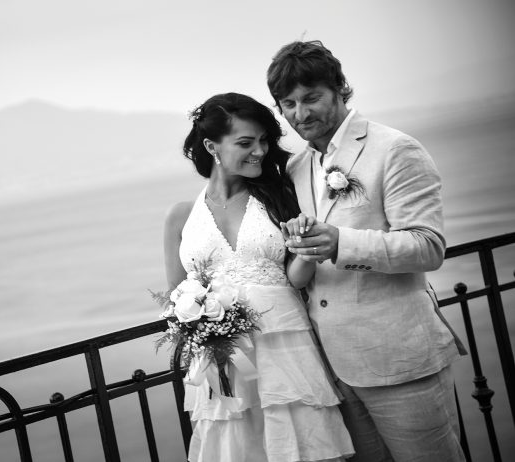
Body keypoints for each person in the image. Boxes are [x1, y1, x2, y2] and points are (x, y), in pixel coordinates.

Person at [266, 40, 467, 462]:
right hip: (333, 370)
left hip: (400, 362)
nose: (300, 114)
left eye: (311, 98)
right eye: (288, 104)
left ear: (340, 89)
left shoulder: (394, 149)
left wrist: (341, 242)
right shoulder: (296, 168)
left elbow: (428, 247)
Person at [163, 92, 354, 462]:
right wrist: (201, 322)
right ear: (211, 147)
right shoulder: (180, 216)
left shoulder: (279, 196)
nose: (260, 151)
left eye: (264, 140)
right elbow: (175, 295)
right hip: (222, 358)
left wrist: (305, 249)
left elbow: (295, 279)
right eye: (246, 142)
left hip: (285, 347)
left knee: (301, 444)